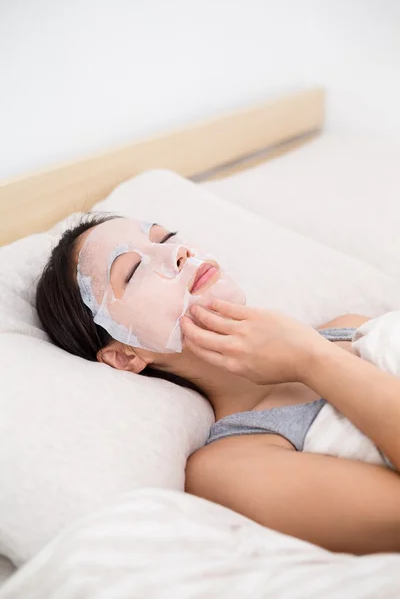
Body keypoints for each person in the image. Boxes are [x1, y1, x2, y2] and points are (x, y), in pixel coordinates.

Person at [36, 214, 400, 555]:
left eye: (166, 239)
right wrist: (310, 361)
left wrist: (313, 351)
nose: (177, 253)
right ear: (124, 356)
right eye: (132, 271)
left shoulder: (349, 327)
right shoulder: (229, 467)